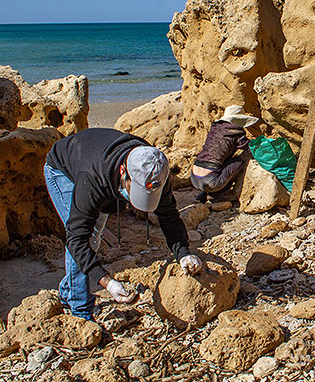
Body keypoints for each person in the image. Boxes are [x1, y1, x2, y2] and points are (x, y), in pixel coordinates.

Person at [44, 128, 203, 321]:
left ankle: (69, 291)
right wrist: (107, 282)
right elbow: (76, 239)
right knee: (89, 237)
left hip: (98, 163)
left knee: (93, 238)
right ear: (123, 171)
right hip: (63, 170)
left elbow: (169, 215)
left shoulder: (154, 169)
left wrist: (183, 253)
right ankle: (80, 311)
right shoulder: (92, 180)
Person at [191, 105, 258, 202]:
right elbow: (248, 148)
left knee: (224, 162)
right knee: (241, 160)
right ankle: (235, 193)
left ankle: (206, 194)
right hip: (210, 181)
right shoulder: (236, 130)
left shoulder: (215, 127)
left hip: (194, 177)